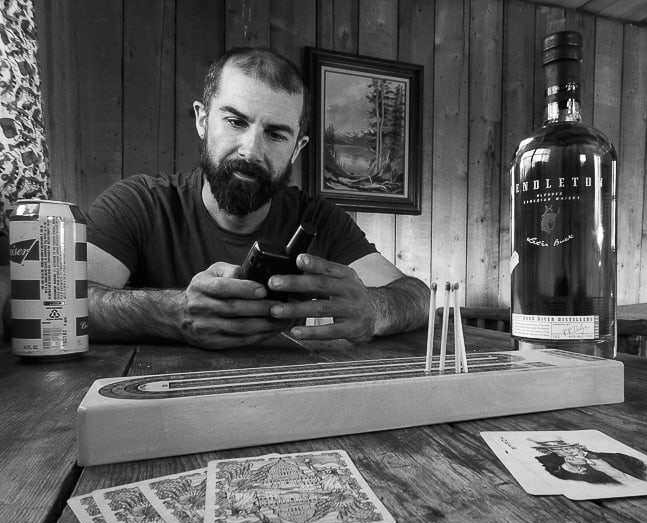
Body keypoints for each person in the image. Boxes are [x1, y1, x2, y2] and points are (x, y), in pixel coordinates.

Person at [87, 47, 429, 349]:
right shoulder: (138, 203)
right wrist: (173, 312)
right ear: (203, 120)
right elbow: (66, 300)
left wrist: (374, 309)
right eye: (235, 122)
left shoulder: (320, 219)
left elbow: (418, 297)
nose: (251, 151)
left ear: (297, 148)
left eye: (276, 135)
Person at [530, 439, 647, 485]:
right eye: (560, 450)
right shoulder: (569, 466)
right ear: (559, 454)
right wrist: (568, 466)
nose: (567, 451)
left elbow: (642, 467)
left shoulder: (615, 456)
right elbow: (560, 475)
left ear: (577, 446)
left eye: (567, 447)